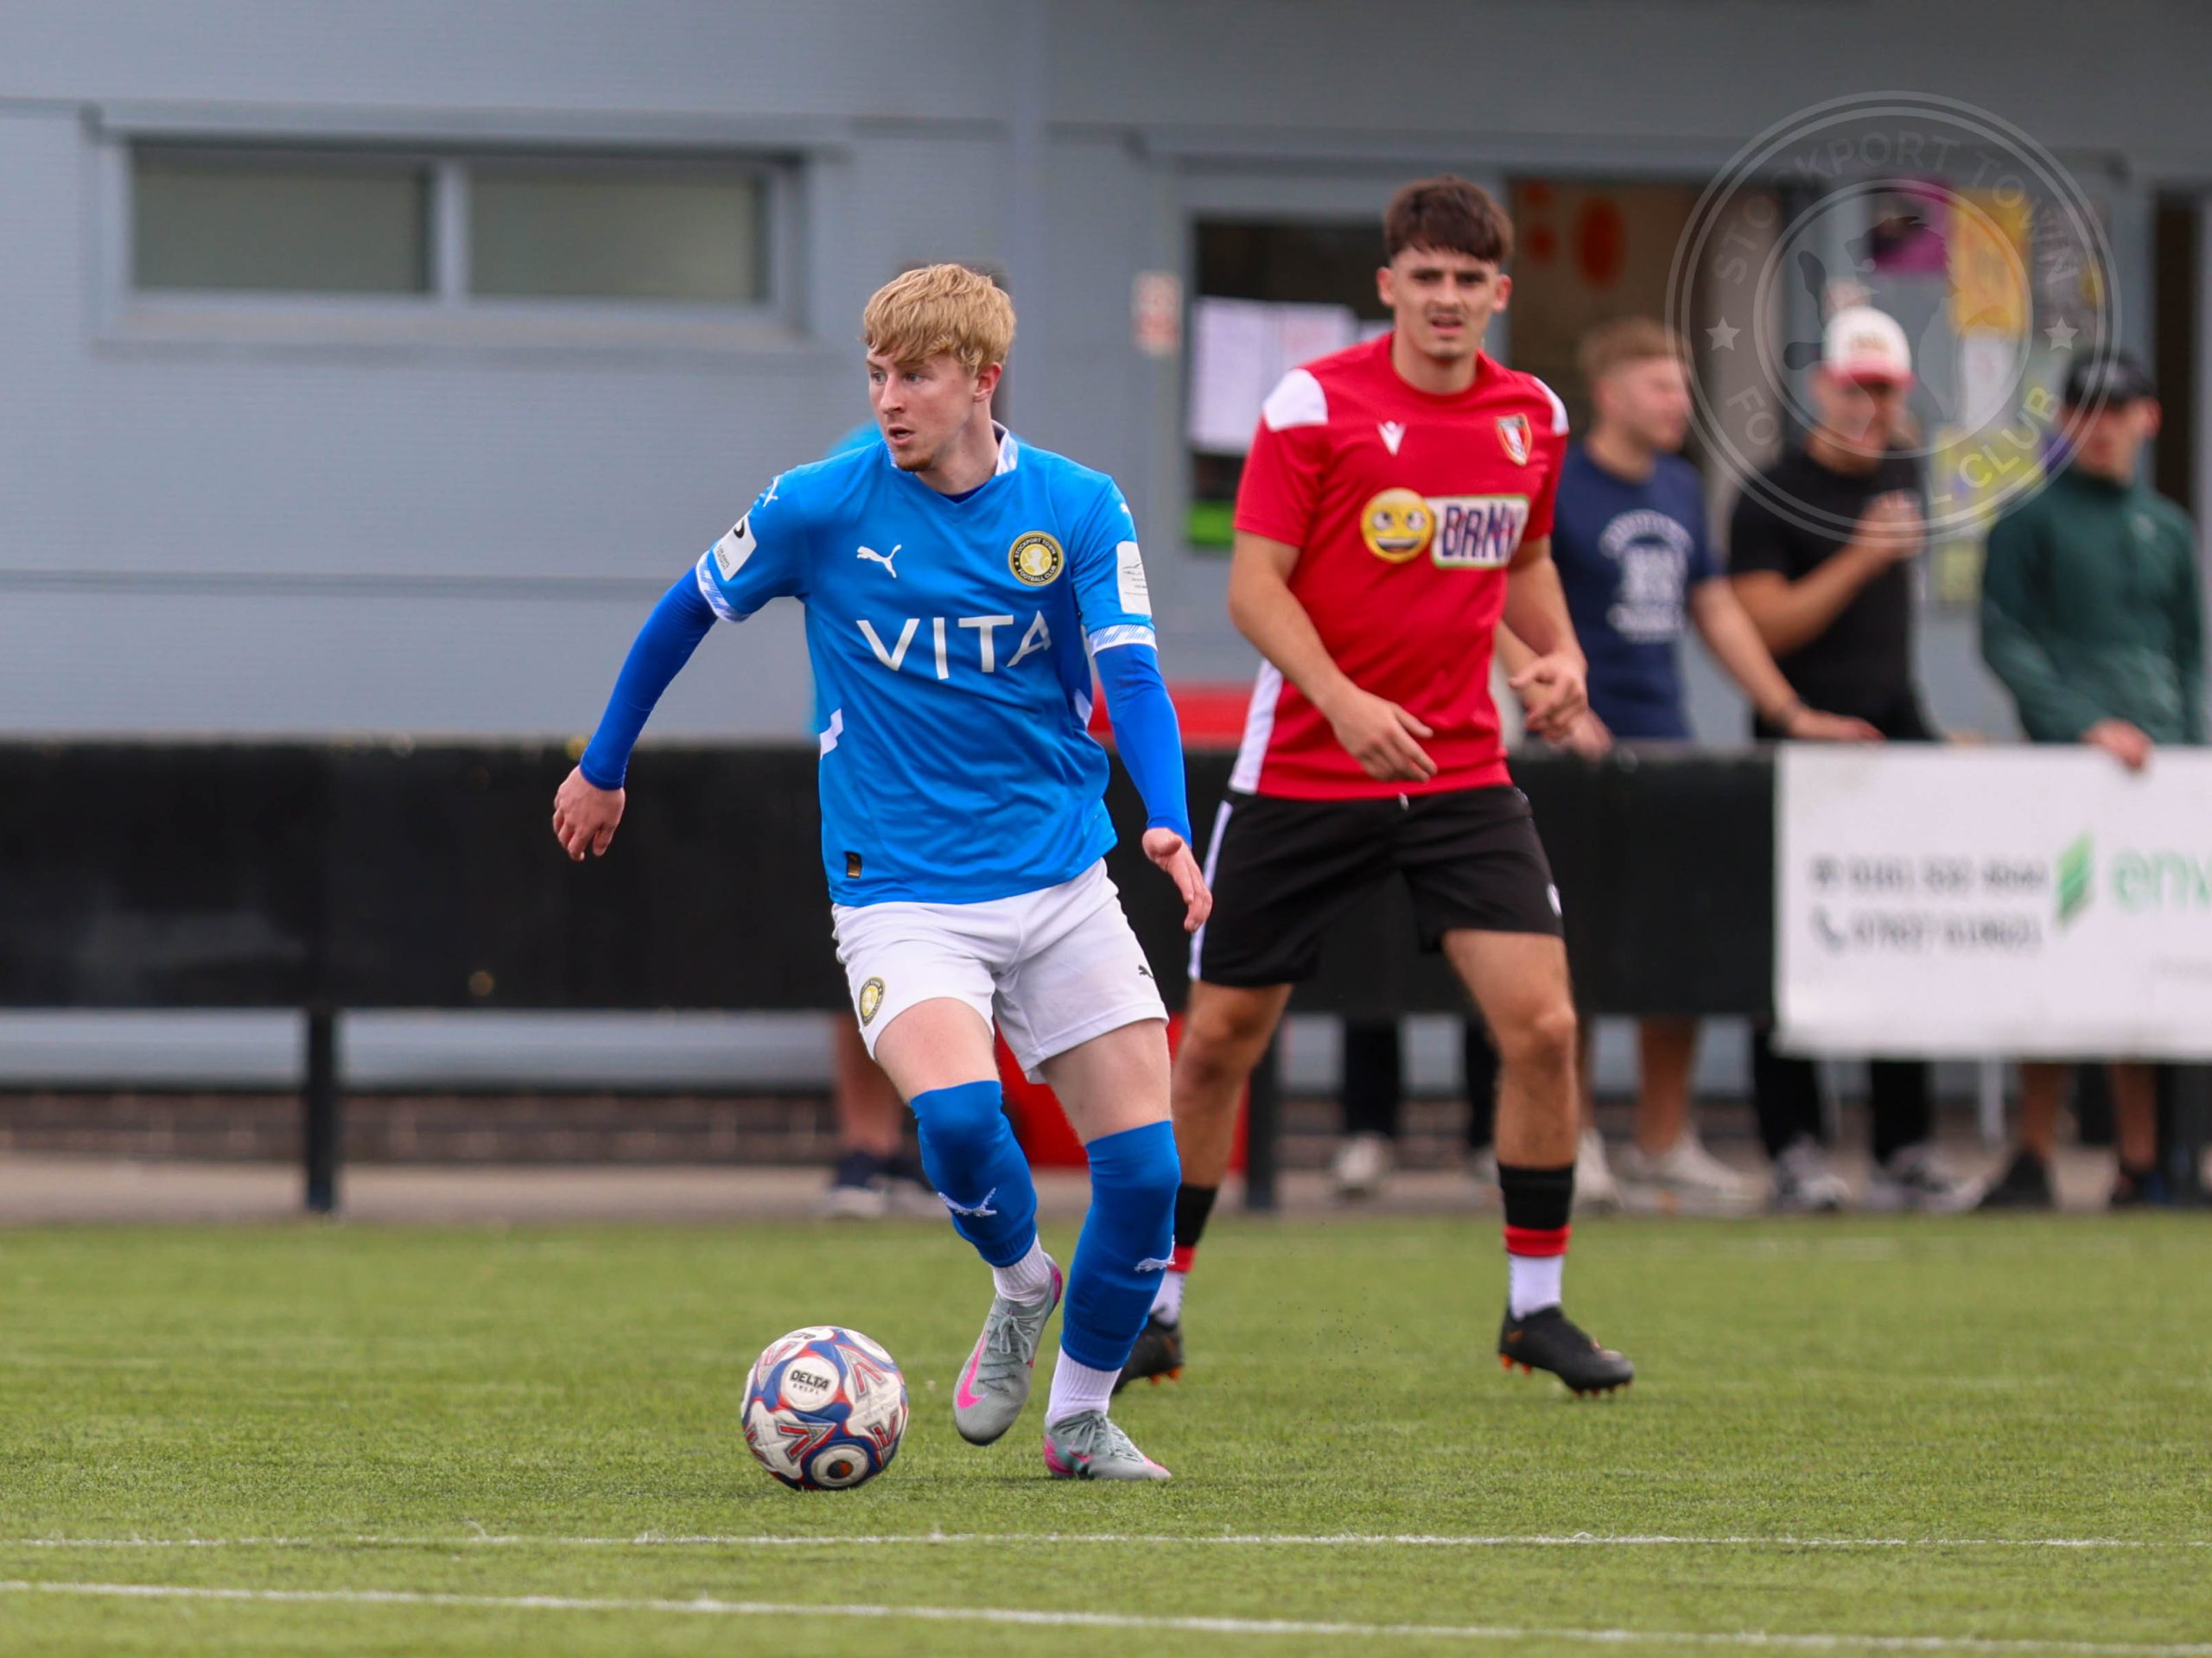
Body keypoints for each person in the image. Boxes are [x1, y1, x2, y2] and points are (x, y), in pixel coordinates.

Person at [551, 265, 1211, 1480]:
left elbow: (1131, 673)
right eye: (876, 373)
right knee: (956, 1117)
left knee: (1146, 1173)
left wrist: (1164, 819)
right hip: (900, 889)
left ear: (983, 379)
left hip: (1061, 876)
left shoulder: (1078, 506)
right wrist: (604, 763)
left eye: (915, 375)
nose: (889, 398)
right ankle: (1021, 1280)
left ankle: (1078, 1418)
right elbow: (684, 609)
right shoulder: (818, 503)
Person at [1124, 175, 1633, 1399]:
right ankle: (1156, 1303)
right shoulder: (1313, 404)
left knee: (1546, 1029)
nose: (1446, 298)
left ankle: (1536, 1308)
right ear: (1388, 285)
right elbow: (1255, 587)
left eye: (1468, 280)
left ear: (1497, 293)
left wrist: (1558, 658)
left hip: (1460, 772)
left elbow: (1523, 557)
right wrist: (1344, 702)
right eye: (1426, 277)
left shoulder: (1532, 415)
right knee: (1218, 1043)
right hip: (1304, 769)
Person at [1546, 317, 1879, 1213]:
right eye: (1660, 386)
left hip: (1668, 740)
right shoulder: (1557, 482)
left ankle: (1662, 1142)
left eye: (1684, 387)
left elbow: (1716, 608)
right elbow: (1509, 597)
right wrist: (1556, 704)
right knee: (1577, 953)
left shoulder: (1682, 486)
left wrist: (1789, 711)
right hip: (1573, 749)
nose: (1678, 403)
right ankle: (1572, 1140)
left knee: (1674, 945)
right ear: (1610, 394)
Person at [1726, 305, 1977, 1213]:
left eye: (1887, 390)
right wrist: (1858, 559)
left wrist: (1927, 731)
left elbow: (1890, 635)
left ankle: (1903, 1145)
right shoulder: (1770, 492)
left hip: (1887, 741)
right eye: (1856, 388)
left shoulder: (1905, 475)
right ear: (1821, 387)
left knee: (1899, 936)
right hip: (1798, 745)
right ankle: (1792, 1143)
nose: (1871, 407)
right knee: (1785, 948)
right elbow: (1763, 624)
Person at [1976, 350, 2202, 1210]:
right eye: (2086, 410)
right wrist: (2079, 724)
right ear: (2065, 420)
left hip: (2163, 774)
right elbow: (2005, 639)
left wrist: (2196, 749)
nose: (2101, 426)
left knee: (2147, 959)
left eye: (2117, 409)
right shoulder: (2029, 521)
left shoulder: (2168, 527)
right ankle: (2033, 1148)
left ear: (2147, 418)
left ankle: (2142, 1158)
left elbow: (2189, 650)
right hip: (2065, 773)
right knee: (2056, 951)